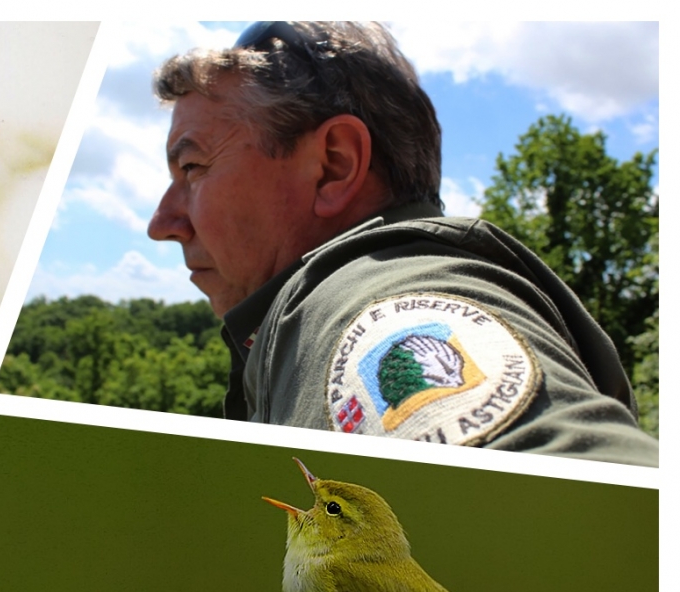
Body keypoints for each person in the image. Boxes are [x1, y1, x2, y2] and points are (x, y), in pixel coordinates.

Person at [146, 21, 657, 466]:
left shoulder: (371, 304)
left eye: (192, 167)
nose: (162, 223)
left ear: (333, 166)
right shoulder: (307, 319)